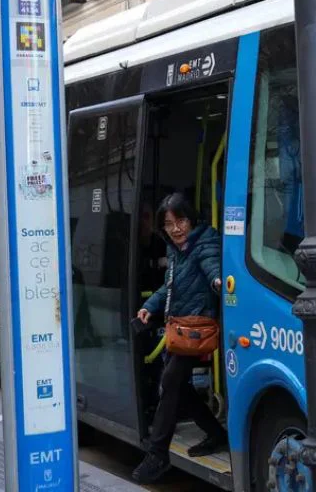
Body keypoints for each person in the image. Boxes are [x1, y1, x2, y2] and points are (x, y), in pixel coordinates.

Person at [132, 192, 227, 485]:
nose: (176, 229)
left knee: (170, 382)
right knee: (177, 387)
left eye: (181, 221)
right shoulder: (176, 250)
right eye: (169, 224)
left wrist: (219, 281)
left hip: (196, 329)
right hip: (180, 328)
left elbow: (213, 267)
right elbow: (169, 287)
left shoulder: (204, 243)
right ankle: (216, 433)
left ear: (191, 219)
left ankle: (157, 453)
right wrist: (150, 306)